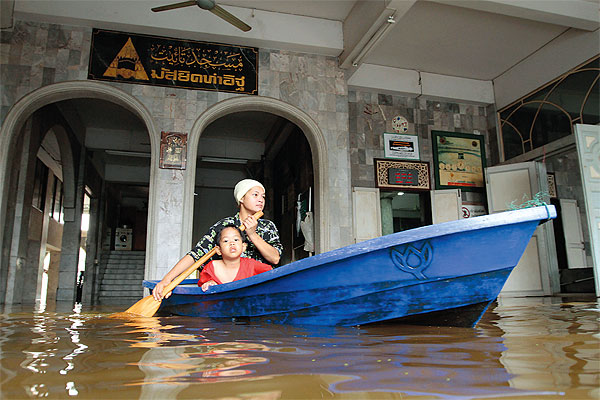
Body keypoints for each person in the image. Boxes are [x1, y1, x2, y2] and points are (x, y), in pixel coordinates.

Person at [152, 179, 282, 301]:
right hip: (227, 290)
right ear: (241, 198)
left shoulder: (268, 226)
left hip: (259, 289)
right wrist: (167, 280)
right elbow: (196, 254)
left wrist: (252, 234)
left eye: (263, 196)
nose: (261, 200)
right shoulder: (224, 226)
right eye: (255, 195)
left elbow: (275, 258)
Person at [199, 225, 272, 291]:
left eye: (236, 240)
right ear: (218, 250)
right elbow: (203, 286)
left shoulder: (251, 264)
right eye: (226, 241)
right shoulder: (211, 267)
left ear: (243, 247)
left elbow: (271, 273)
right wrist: (209, 283)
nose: (232, 243)